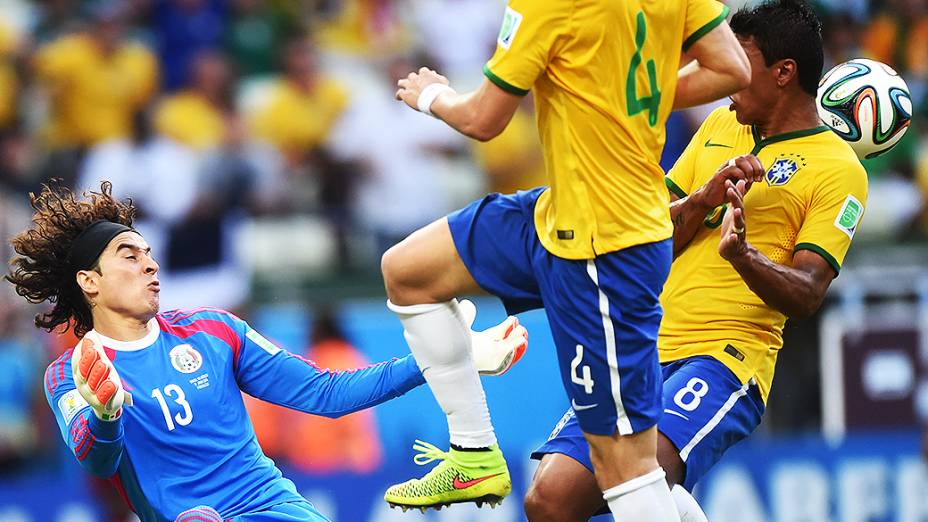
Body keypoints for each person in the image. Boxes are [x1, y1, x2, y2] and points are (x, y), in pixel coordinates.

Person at [381, 0, 751, 518]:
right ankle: (474, 452)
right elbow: (731, 68)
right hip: (556, 216)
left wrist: (430, 95)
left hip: (606, 253)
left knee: (624, 469)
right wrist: (627, 95)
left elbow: (484, 119)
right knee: (407, 272)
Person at [525, 1, 869, 520]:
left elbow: (807, 292)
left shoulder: (840, 170)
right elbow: (649, 237)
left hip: (725, 359)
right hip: (643, 347)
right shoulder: (715, 130)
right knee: (548, 501)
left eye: (739, 58)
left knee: (639, 481)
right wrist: (702, 201)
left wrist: (744, 256)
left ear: (783, 73)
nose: (724, 71)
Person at [4, 181, 528, 522]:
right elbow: (96, 460)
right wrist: (107, 414)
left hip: (274, 508)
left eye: (148, 253)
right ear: (89, 282)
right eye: (129, 255)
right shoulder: (69, 374)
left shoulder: (214, 331)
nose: (150, 265)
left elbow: (328, 393)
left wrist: (445, 359)